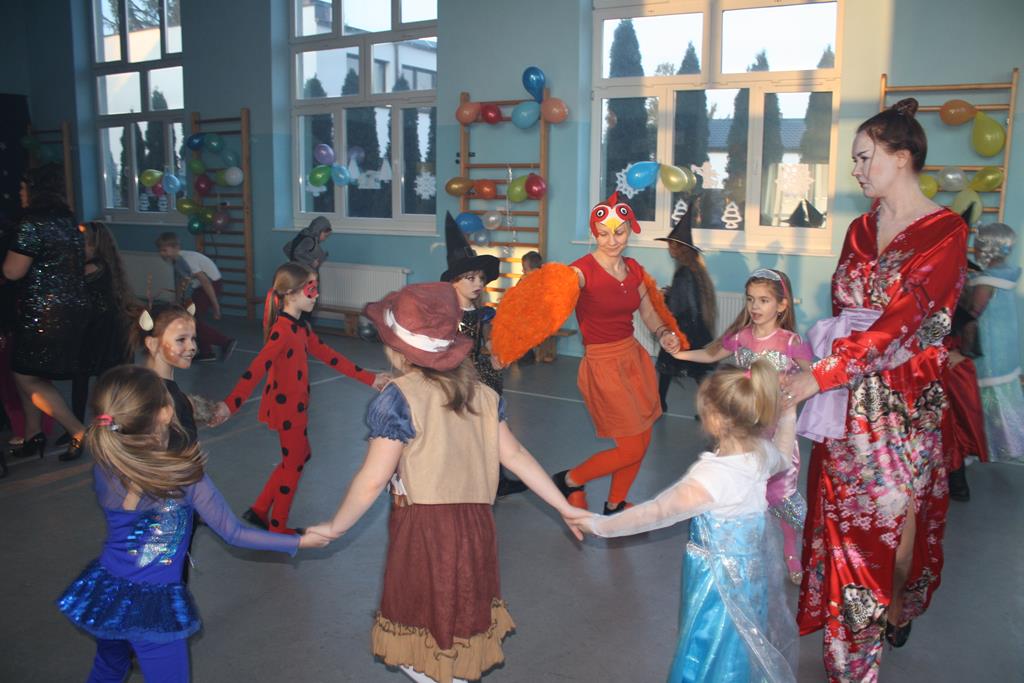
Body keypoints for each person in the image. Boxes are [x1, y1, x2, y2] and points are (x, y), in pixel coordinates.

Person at [304, 282, 584, 683]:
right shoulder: (482, 394)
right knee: (461, 613)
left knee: (422, 625)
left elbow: (372, 478)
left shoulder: (399, 397)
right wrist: (564, 506)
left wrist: (335, 527)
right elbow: (517, 456)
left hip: (425, 529)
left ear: (397, 349)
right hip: (477, 526)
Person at [782, 98, 968, 681]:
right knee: (848, 535)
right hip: (846, 404)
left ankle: (899, 601)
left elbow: (903, 323)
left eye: (865, 158)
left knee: (898, 545)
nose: (856, 170)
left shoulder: (945, 232)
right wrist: (815, 367)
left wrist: (818, 375)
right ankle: (851, 665)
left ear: (903, 156)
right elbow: (845, 313)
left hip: (902, 408)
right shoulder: (860, 229)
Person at [56, 365, 326, 683]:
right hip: (151, 610)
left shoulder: (104, 466)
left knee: (108, 668)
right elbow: (234, 533)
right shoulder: (183, 477)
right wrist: (299, 541)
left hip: (106, 593)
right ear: (166, 412)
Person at [573, 360, 797, 683]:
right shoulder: (762, 454)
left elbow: (655, 513)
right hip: (752, 576)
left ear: (716, 420)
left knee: (710, 642)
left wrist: (597, 524)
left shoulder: (711, 476)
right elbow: (784, 456)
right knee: (741, 641)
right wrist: (789, 414)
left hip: (716, 582)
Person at [211, 262, 389, 533]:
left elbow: (330, 356)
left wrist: (370, 378)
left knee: (299, 455)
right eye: (310, 289)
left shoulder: (300, 328)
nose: (316, 295)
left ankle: (260, 509)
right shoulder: (282, 331)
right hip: (287, 410)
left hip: (297, 407)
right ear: (291, 294)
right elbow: (256, 369)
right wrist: (229, 405)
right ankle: (278, 526)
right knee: (294, 463)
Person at [671, 267, 811, 583]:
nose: (755, 306)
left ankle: (791, 553)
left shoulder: (790, 342)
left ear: (782, 305)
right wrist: (679, 353)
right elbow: (711, 355)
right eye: (750, 299)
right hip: (746, 430)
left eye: (763, 300)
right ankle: (742, 551)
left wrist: (793, 386)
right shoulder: (742, 337)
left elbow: (811, 375)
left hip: (779, 431)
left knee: (780, 491)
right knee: (744, 490)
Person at [551, 192, 683, 515]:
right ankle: (569, 480)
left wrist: (664, 333)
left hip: (633, 357)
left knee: (643, 438)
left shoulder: (634, 269)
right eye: (603, 234)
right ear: (594, 233)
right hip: (603, 364)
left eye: (619, 232)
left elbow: (648, 312)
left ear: (630, 230)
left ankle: (615, 503)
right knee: (630, 447)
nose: (612, 241)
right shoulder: (580, 271)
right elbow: (555, 296)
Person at [2, 164, 89, 461]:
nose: (20, 192)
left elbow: (12, 272)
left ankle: (77, 430)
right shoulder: (68, 221)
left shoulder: (32, 223)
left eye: (23, 187)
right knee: (29, 372)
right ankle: (33, 434)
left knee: (25, 375)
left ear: (36, 190)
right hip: (72, 308)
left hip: (44, 312)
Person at [440, 213, 526, 497]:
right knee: (464, 431)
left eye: (480, 278)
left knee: (493, 428)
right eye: (470, 278)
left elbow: (481, 343)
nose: (478, 283)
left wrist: (495, 357)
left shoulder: (478, 311)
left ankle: (497, 478)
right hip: (459, 379)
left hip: (483, 376)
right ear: (454, 282)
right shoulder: (447, 314)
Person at [67, 221, 135, 436]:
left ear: (94, 245)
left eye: (83, 242)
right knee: (93, 379)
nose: (78, 246)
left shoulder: (93, 266)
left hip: (100, 331)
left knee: (91, 379)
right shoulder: (107, 265)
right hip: (102, 328)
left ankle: (82, 426)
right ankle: (83, 425)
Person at [969, 222, 1024, 464]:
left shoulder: (986, 281)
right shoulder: (1007, 274)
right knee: (1005, 399)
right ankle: (1011, 443)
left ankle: (989, 447)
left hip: (989, 352)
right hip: (1006, 350)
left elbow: (973, 314)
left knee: (987, 403)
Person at [654, 209, 717, 412]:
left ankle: (662, 403)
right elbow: (689, 298)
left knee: (670, 366)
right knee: (695, 371)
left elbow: (679, 306)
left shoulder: (683, 273)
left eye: (671, 244)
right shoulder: (694, 269)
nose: (669, 248)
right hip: (695, 327)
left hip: (684, 329)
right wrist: (672, 292)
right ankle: (706, 407)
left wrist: (665, 297)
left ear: (679, 248)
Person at [940, 256, 989, 501]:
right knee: (942, 424)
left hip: (954, 372)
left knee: (954, 423)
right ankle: (950, 479)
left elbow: (969, 336)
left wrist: (960, 354)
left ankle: (957, 480)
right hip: (932, 368)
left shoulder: (960, 307)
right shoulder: (930, 301)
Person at [155, 232, 235, 363]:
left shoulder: (188, 259)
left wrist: (216, 307)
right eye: (160, 250)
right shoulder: (177, 261)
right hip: (200, 287)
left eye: (165, 250)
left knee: (193, 321)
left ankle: (225, 342)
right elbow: (182, 280)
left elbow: (206, 282)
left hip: (211, 285)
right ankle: (206, 352)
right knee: (192, 318)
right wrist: (177, 300)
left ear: (176, 247)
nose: (162, 253)